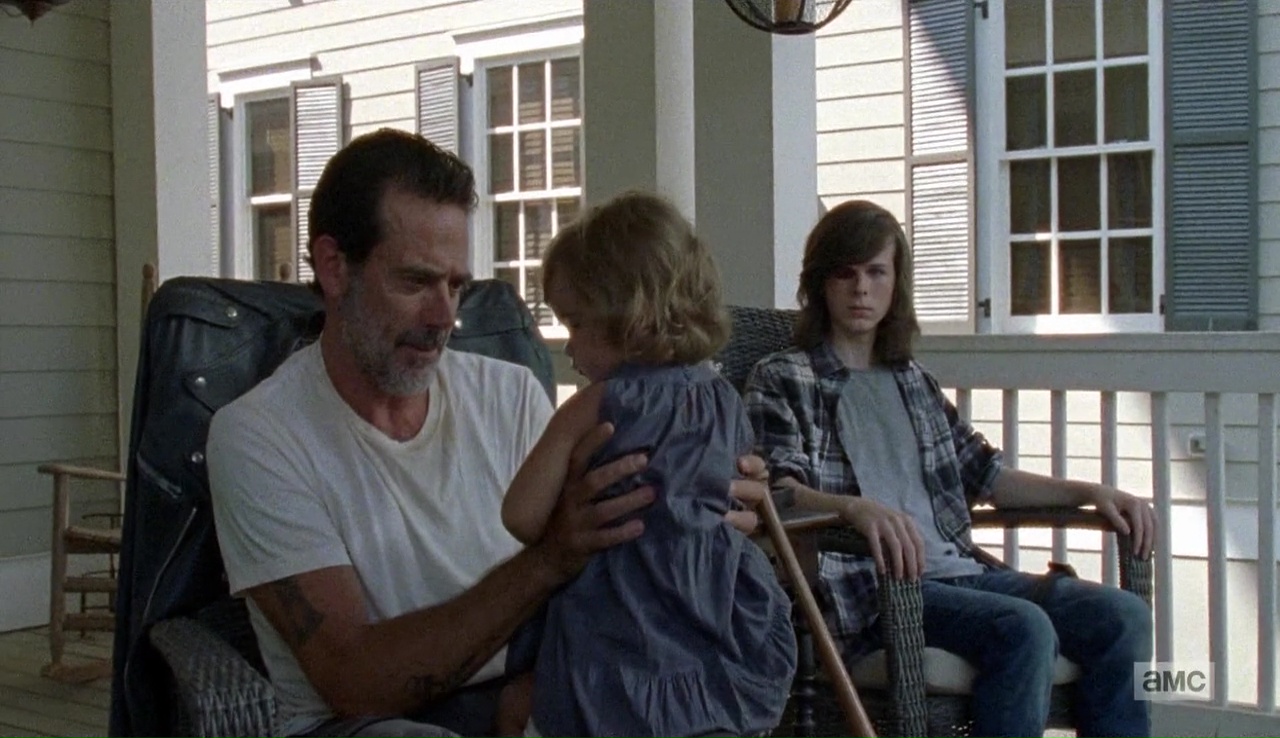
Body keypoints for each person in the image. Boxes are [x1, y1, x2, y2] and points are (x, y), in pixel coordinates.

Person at [206, 129, 770, 738]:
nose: (444, 317)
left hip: (537, 692)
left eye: (457, 286)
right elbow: (353, 682)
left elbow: (619, 537)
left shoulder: (508, 393)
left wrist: (702, 499)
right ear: (334, 267)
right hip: (377, 723)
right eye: (415, 282)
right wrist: (549, 559)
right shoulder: (260, 435)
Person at [743, 199, 1156, 738]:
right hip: (874, 592)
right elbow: (779, 492)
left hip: (964, 574)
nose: (861, 289)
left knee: (1123, 616)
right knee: (1024, 629)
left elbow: (988, 476)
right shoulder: (783, 377)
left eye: (876, 272)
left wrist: (1089, 491)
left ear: (896, 283)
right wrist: (853, 508)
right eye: (845, 273)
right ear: (821, 284)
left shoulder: (913, 382)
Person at [493, 192, 797, 738]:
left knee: (521, 708)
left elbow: (520, 515)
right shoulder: (723, 399)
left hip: (621, 630)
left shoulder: (596, 405)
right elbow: (738, 488)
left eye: (576, 324)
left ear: (629, 315)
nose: (569, 348)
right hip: (713, 619)